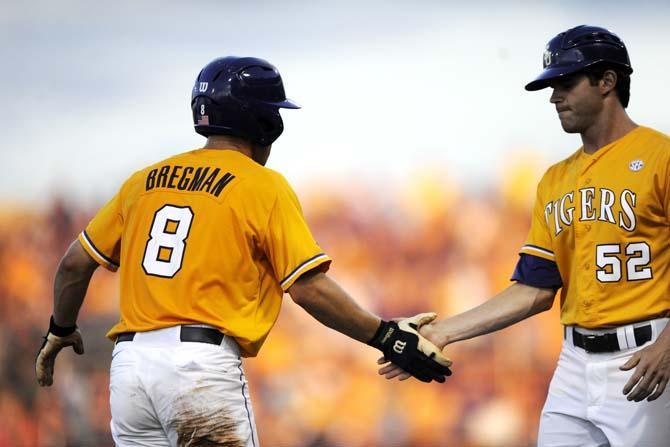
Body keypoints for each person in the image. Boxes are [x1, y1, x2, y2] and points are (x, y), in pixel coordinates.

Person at [35, 56, 451, 447]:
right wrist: (385, 336)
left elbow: (74, 264)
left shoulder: (143, 181)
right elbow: (308, 289)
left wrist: (59, 329)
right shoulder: (261, 185)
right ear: (264, 123)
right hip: (198, 368)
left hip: (129, 370)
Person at [380, 25, 670, 446]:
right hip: (574, 362)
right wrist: (444, 332)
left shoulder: (660, 157)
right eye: (553, 86)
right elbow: (534, 290)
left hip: (647, 355)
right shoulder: (554, 180)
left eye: (566, 83)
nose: (554, 97)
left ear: (608, 81)